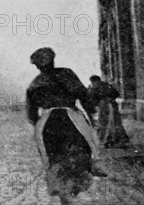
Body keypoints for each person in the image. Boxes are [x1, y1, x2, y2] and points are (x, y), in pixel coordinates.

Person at [26, 48, 105, 205]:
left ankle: (64, 195)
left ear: (37, 66)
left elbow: (31, 114)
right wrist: (90, 114)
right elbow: (83, 95)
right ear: (53, 61)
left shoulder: (34, 83)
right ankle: (90, 169)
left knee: (53, 158)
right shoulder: (66, 74)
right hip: (71, 118)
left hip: (47, 123)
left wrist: (40, 124)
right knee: (86, 143)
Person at [88, 75, 130, 148]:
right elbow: (116, 94)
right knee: (115, 122)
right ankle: (119, 139)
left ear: (93, 81)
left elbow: (92, 98)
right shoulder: (107, 85)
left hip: (104, 106)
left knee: (105, 123)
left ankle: (107, 140)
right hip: (112, 105)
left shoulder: (95, 87)